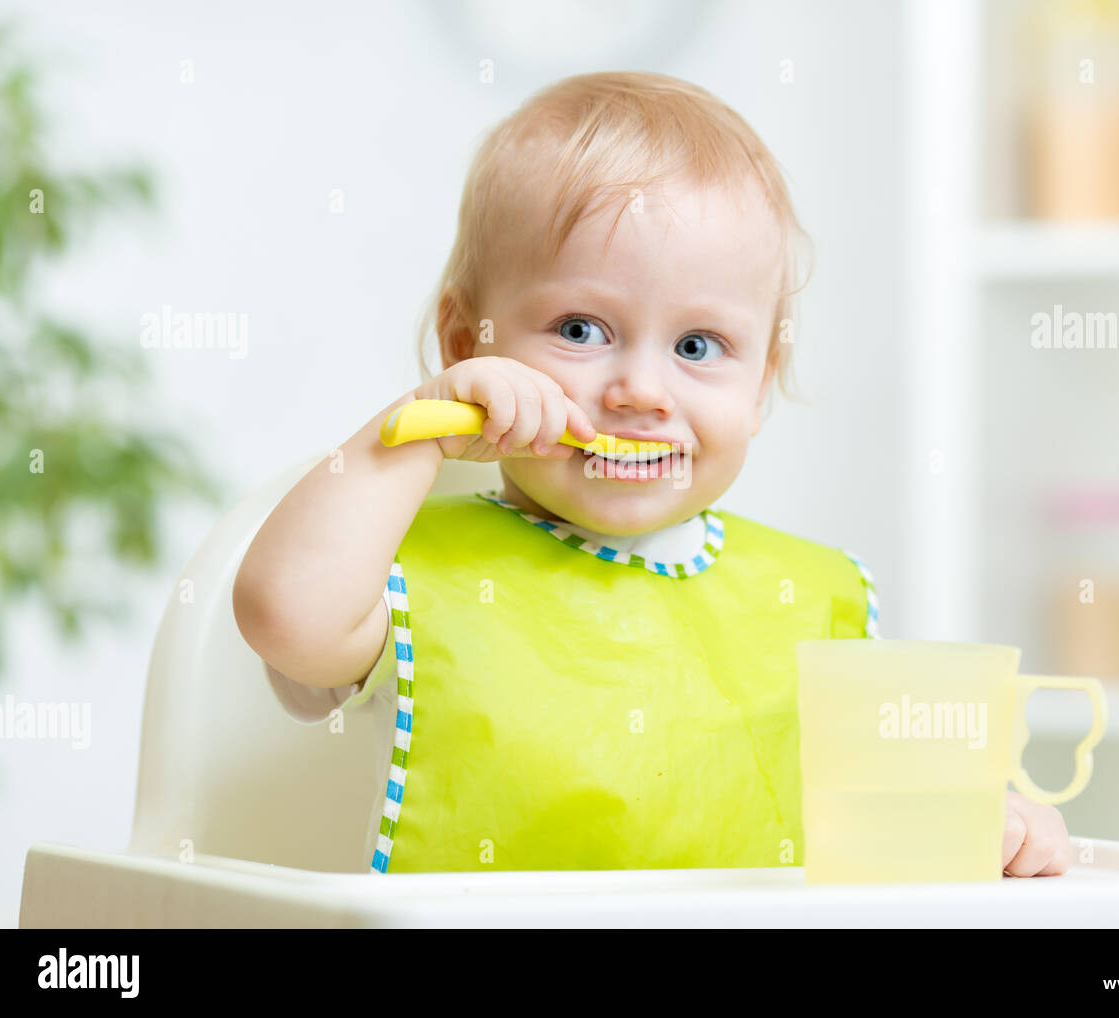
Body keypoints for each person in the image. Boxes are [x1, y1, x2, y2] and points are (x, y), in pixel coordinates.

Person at [233, 71, 1069, 878]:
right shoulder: (401, 577)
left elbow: (887, 806)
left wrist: (976, 817)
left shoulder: (811, 598)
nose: (640, 390)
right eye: (581, 329)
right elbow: (283, 614)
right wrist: (419, 429)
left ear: (764, 379)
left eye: (698, 347)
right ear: (467, 343)